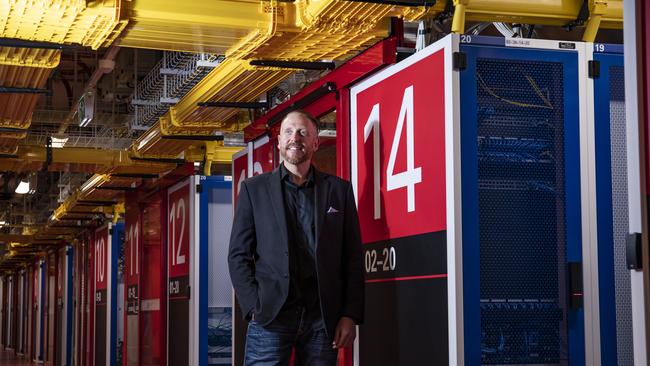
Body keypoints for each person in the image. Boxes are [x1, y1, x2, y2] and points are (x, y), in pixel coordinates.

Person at [228, 110, 364, 366]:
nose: (295, 138)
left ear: (315, 142)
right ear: (279, 142)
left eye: (303, 132)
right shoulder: (253, 190)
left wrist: (349, 314)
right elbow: (238, 255)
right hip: (270, 315)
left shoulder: (339, 191)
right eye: (288, 132)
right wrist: (253, 306)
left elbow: (353, 257)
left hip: (322, 318)